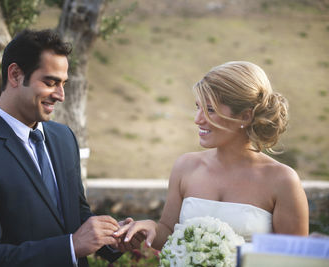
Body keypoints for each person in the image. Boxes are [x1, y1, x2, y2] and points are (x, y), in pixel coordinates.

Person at [0, 29, 142, 267]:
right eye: (51, 82)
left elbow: (76, 215)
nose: (60, 95)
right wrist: (70, 246)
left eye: (63, 84)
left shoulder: (64, 138)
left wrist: (111, 237)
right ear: (16, 75)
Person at [115, 61, 309, 249]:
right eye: (198, 107)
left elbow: (295, 259)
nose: (197, 119)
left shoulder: (282, 180)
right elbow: (169, 232)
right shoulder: (185, 167)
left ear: (245, 116)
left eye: (210, 110)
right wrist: (150, 228)